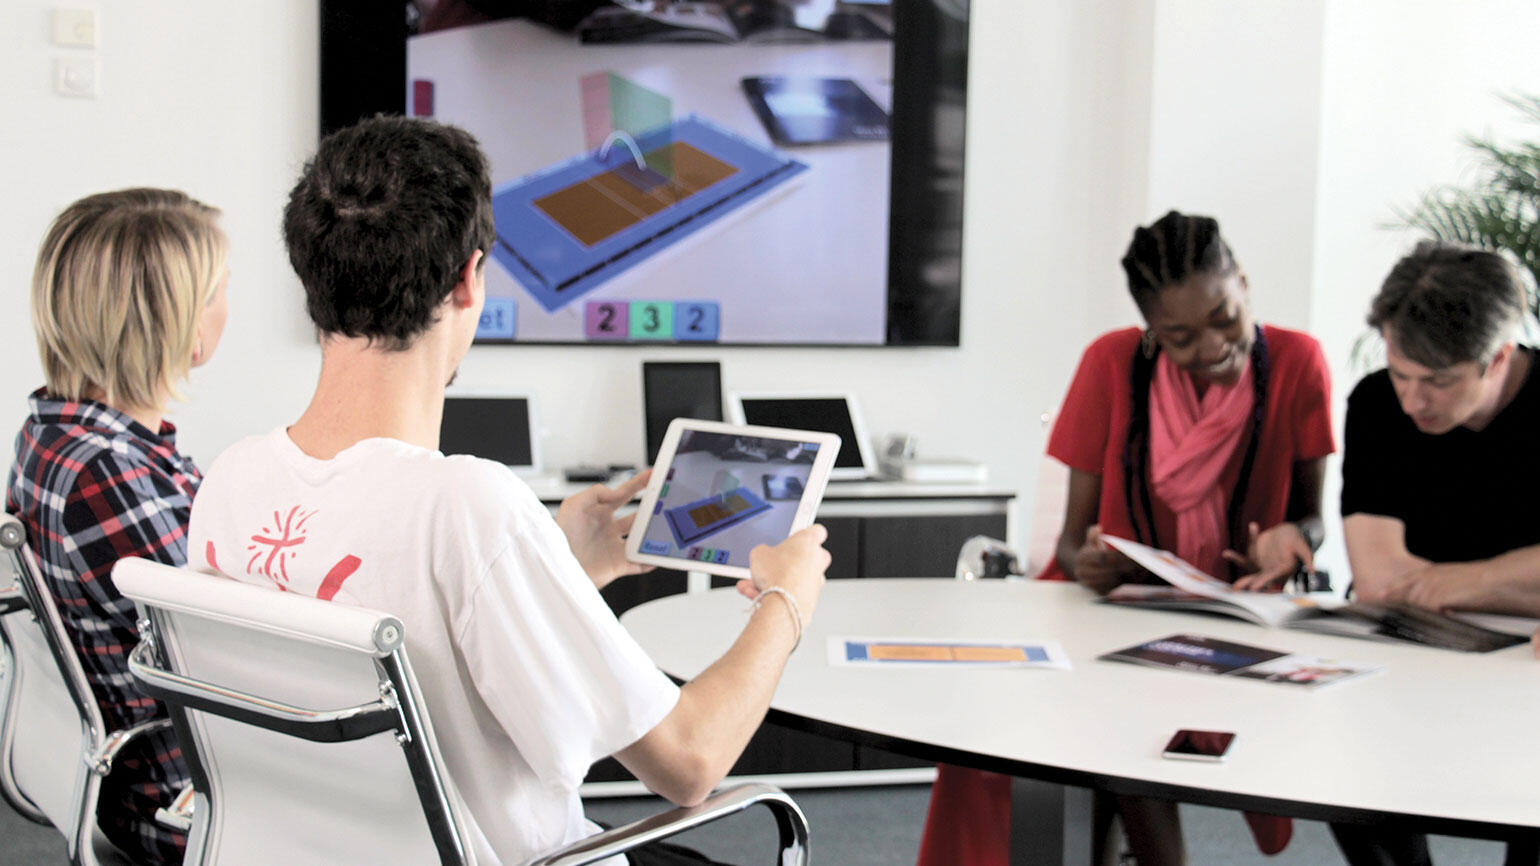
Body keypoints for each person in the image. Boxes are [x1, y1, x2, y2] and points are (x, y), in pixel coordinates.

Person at [185, 115, 829, 866]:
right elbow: (691, 762)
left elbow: (412, 623)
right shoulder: (468, 507)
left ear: (310, 276)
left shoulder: (229, 481)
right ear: (470, 279)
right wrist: (787, 602)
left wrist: (555, 564)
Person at [917, 211, 1334, 866]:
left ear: (1246, 284)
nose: (1211, 347)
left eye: (1225, 317)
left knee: (1126, 724)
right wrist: (1090, 564)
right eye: (1180, 336)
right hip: (1111, 616)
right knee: (1114, 721)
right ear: (1150, 331)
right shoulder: (1111, 362)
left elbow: (1315, 521)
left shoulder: (1298, 362)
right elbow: (1067, 548)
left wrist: (1292, 537)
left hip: (1237, 616)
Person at [7, 188, 231, 864]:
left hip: (136, 778)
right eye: (218, 290)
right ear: (177, 322)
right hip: (183, 800)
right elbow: (227, 664)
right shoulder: (107, 473)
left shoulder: (54, 432)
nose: (228, 307)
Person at [1336, 240, 1540, 866]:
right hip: (1413, 657)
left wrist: (1461, 580)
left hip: (1529, 670)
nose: (1412, 401)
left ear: (1498, 357)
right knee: (1344, 782)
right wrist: (1517, 578)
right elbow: (1378, 580)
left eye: (1438, 381)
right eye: (1401, 373)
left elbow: (1417, 580)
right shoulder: (1376, 405)